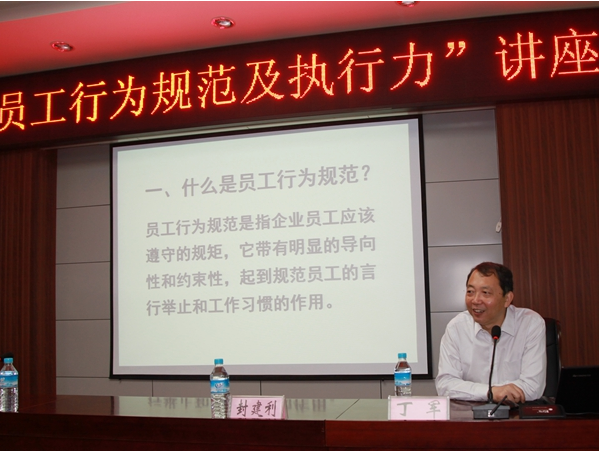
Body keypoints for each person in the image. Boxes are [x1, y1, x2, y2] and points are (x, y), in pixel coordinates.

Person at [435, 262, 546, 404]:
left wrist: (482, 392)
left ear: (507, 299)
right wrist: (490, 392)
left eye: (485, 293)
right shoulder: (457, 327)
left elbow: (533, 387)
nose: (475, 300)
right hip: (471, 413)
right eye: (470, 292)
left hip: (516, 413)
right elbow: (445, 384)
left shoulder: (530, 324)